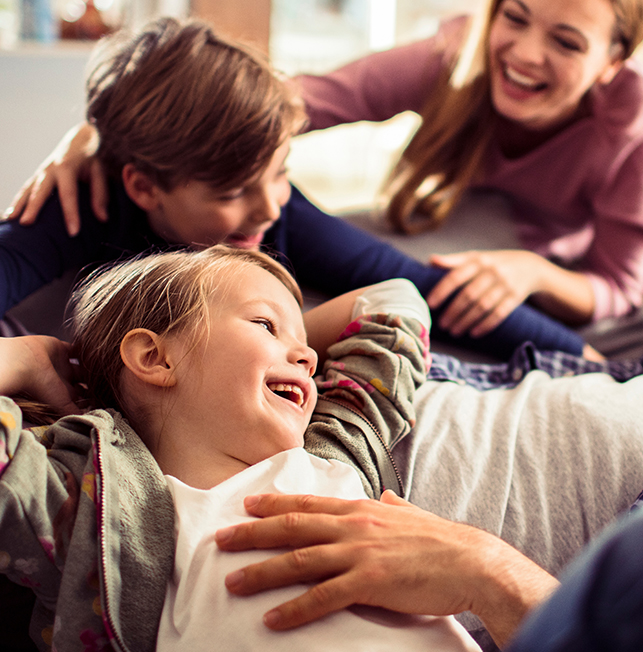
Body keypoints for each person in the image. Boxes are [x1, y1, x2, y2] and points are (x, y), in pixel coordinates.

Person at [211, 231, 643, 652]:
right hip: (221, 441)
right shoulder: (598, 377)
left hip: (273, 579)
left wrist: (486, 572)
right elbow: (344, 260)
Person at [9, 0, 643, 341]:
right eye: (514, 18)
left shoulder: (280, 214)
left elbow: (403, 280)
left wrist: (575, 345)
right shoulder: (83, 208)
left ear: (613, 61)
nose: (523, 52)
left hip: (536, 266)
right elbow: (269, 103)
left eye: (566, 40)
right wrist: (102, 130)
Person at [0, 245, 491, 651]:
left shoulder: (332, 455)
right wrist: (24, 358)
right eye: (264, 324)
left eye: (306, 345)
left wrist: (281, 342)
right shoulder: (93, 510)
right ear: (154, 357)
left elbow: (394, 302)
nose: (310, 357)